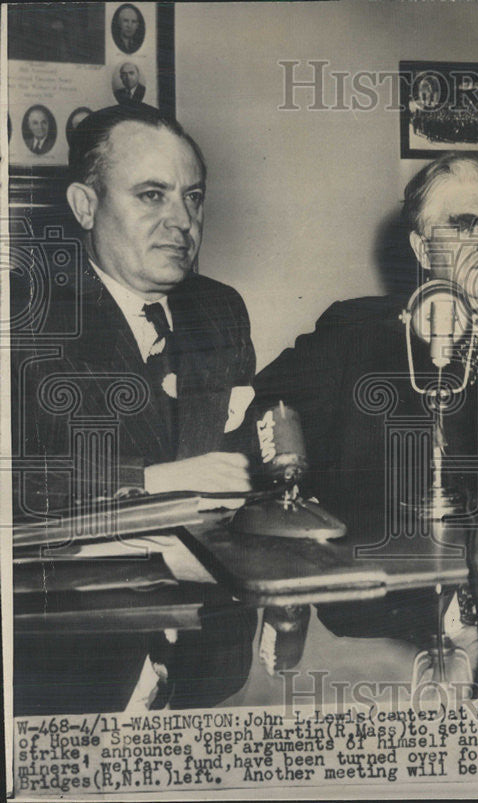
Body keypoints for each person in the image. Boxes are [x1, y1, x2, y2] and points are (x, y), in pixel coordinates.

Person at [250, 152, 478, 642]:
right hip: (385, 611)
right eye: (465, 225)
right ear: (422, 249)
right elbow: (264, 425)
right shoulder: (354, 335)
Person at [13, 104, 257, 714]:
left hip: (207, 656)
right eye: (152, 195)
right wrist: (156, 483)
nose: (182, 220)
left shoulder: (220, 309)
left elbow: (245, 462)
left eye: (193, 197)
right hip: (73, 666)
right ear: (85, 206)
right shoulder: (25, 317)